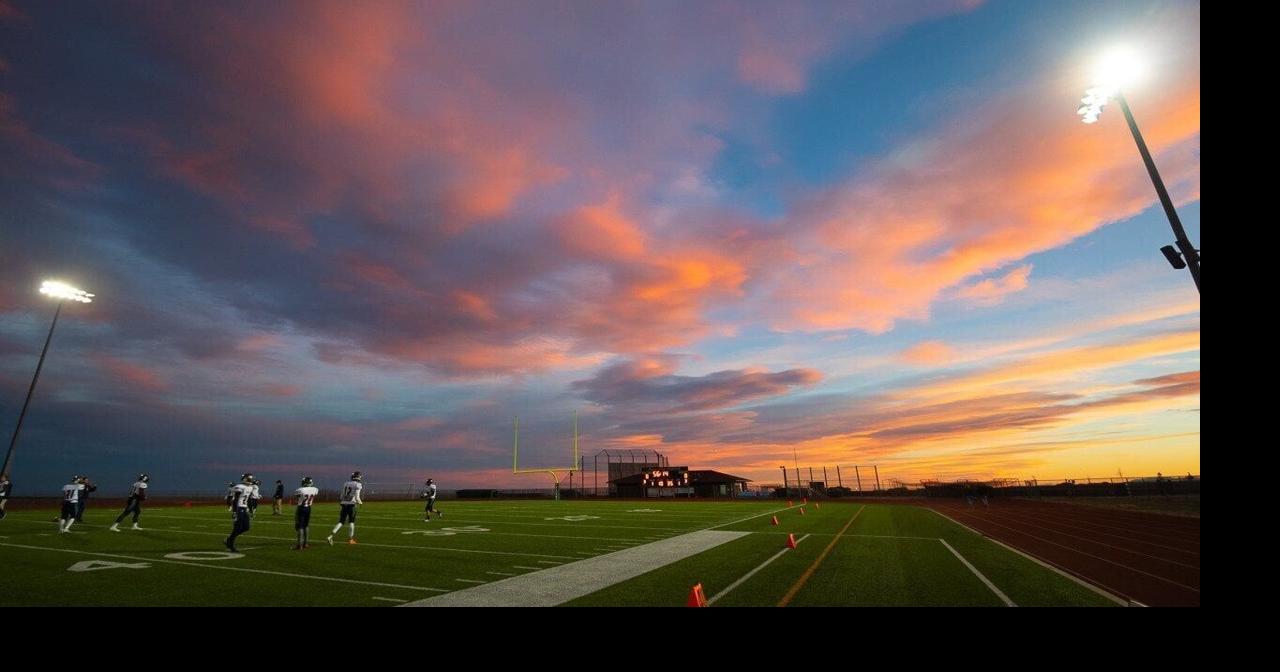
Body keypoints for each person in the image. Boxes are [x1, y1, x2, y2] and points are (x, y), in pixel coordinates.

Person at [327, 471, 363, 545]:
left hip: (344, 504)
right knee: (351, 522)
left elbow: (342, 495)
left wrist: (343, 501)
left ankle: (330, 536)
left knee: (341, 522)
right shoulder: (358, 484)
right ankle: (351, 539)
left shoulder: (346, 483)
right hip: (351, 505)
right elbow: (357, 497)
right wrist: (360, 502)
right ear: (358, 477)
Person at [224, 473, 255, 553]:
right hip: (239, 508)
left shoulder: (250, 487)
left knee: (246, 527)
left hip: (244, 508)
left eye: (250, 479)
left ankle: (229, 539)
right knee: (237, 528)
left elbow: (249, 499)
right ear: (244, 479)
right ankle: (230, 544)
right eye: (249, 479)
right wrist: (234, 511)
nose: (250, 480)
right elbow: (235, 500)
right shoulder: (240, 487)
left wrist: (251, 510)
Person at [292, 476, 319, 550]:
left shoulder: (300, 490)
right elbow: (314, 492)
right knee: (306, 525)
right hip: (308, 508)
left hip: (301, 508)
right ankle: (306, 543)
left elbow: (297, 496)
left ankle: (299, 545)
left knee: (300, 526)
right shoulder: (315, 489)